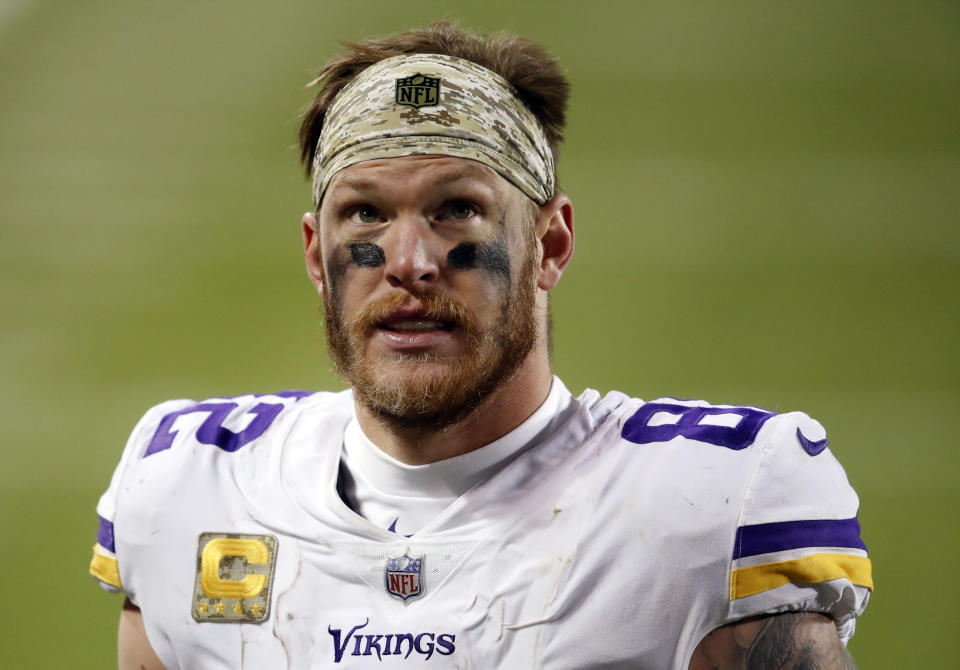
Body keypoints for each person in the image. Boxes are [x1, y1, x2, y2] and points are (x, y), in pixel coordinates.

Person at [89, 21, 872, 669]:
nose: (408, 263)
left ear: (550, 244)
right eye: (364, 214)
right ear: (312, 254)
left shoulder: (713, 508)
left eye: (457, 208)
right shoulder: (189, 486)